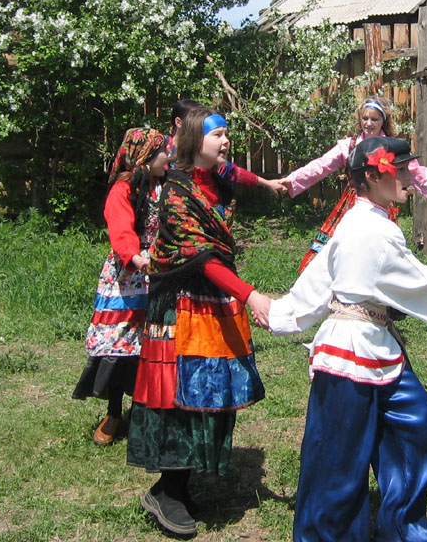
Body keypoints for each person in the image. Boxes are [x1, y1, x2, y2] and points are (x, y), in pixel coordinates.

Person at [267, 135, 427, 542]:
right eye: (401, 169)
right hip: (348, 353)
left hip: (380, 348)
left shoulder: (369, 222)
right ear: (372, 175)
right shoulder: (367, 229)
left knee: (417, 430)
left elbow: (327, 278)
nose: (409, 175)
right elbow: (414, 280)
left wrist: (281, 312)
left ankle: (401, 528)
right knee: (338, 460)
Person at [126, 107, 275, 538]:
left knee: (212, 391)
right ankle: (166, 490)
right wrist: (251, 295)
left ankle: (183, 482)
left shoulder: (217, 178)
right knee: (178, 399)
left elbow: (239, 175)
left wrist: (272, 182)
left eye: (228, 134)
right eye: (219, 135)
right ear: (194, 140)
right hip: (181, 304)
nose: (226, 141)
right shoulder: (176, 192)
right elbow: (199, 256)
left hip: (214, 300)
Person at [281, 98, 427, 271]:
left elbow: (420, 176)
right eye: (365, 118)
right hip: (352, 205)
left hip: (380, 205)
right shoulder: (349, 146)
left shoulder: (392, 148)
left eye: (374, 119)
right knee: (342, 246)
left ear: (383, 122)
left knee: (378, 250)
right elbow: (321, 166)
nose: (368, 123)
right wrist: (291, 181)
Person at [72, 127, 169, 445]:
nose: (168, 157)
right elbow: (121, 228)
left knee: (158, 344)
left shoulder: (165, 186)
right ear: (145, 157)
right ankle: (115, 413)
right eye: (162, 152)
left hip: (161, 274)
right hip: (127, 279)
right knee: (120, 348)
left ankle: (152, 412)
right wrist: (135, 257)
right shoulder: (123, 189)